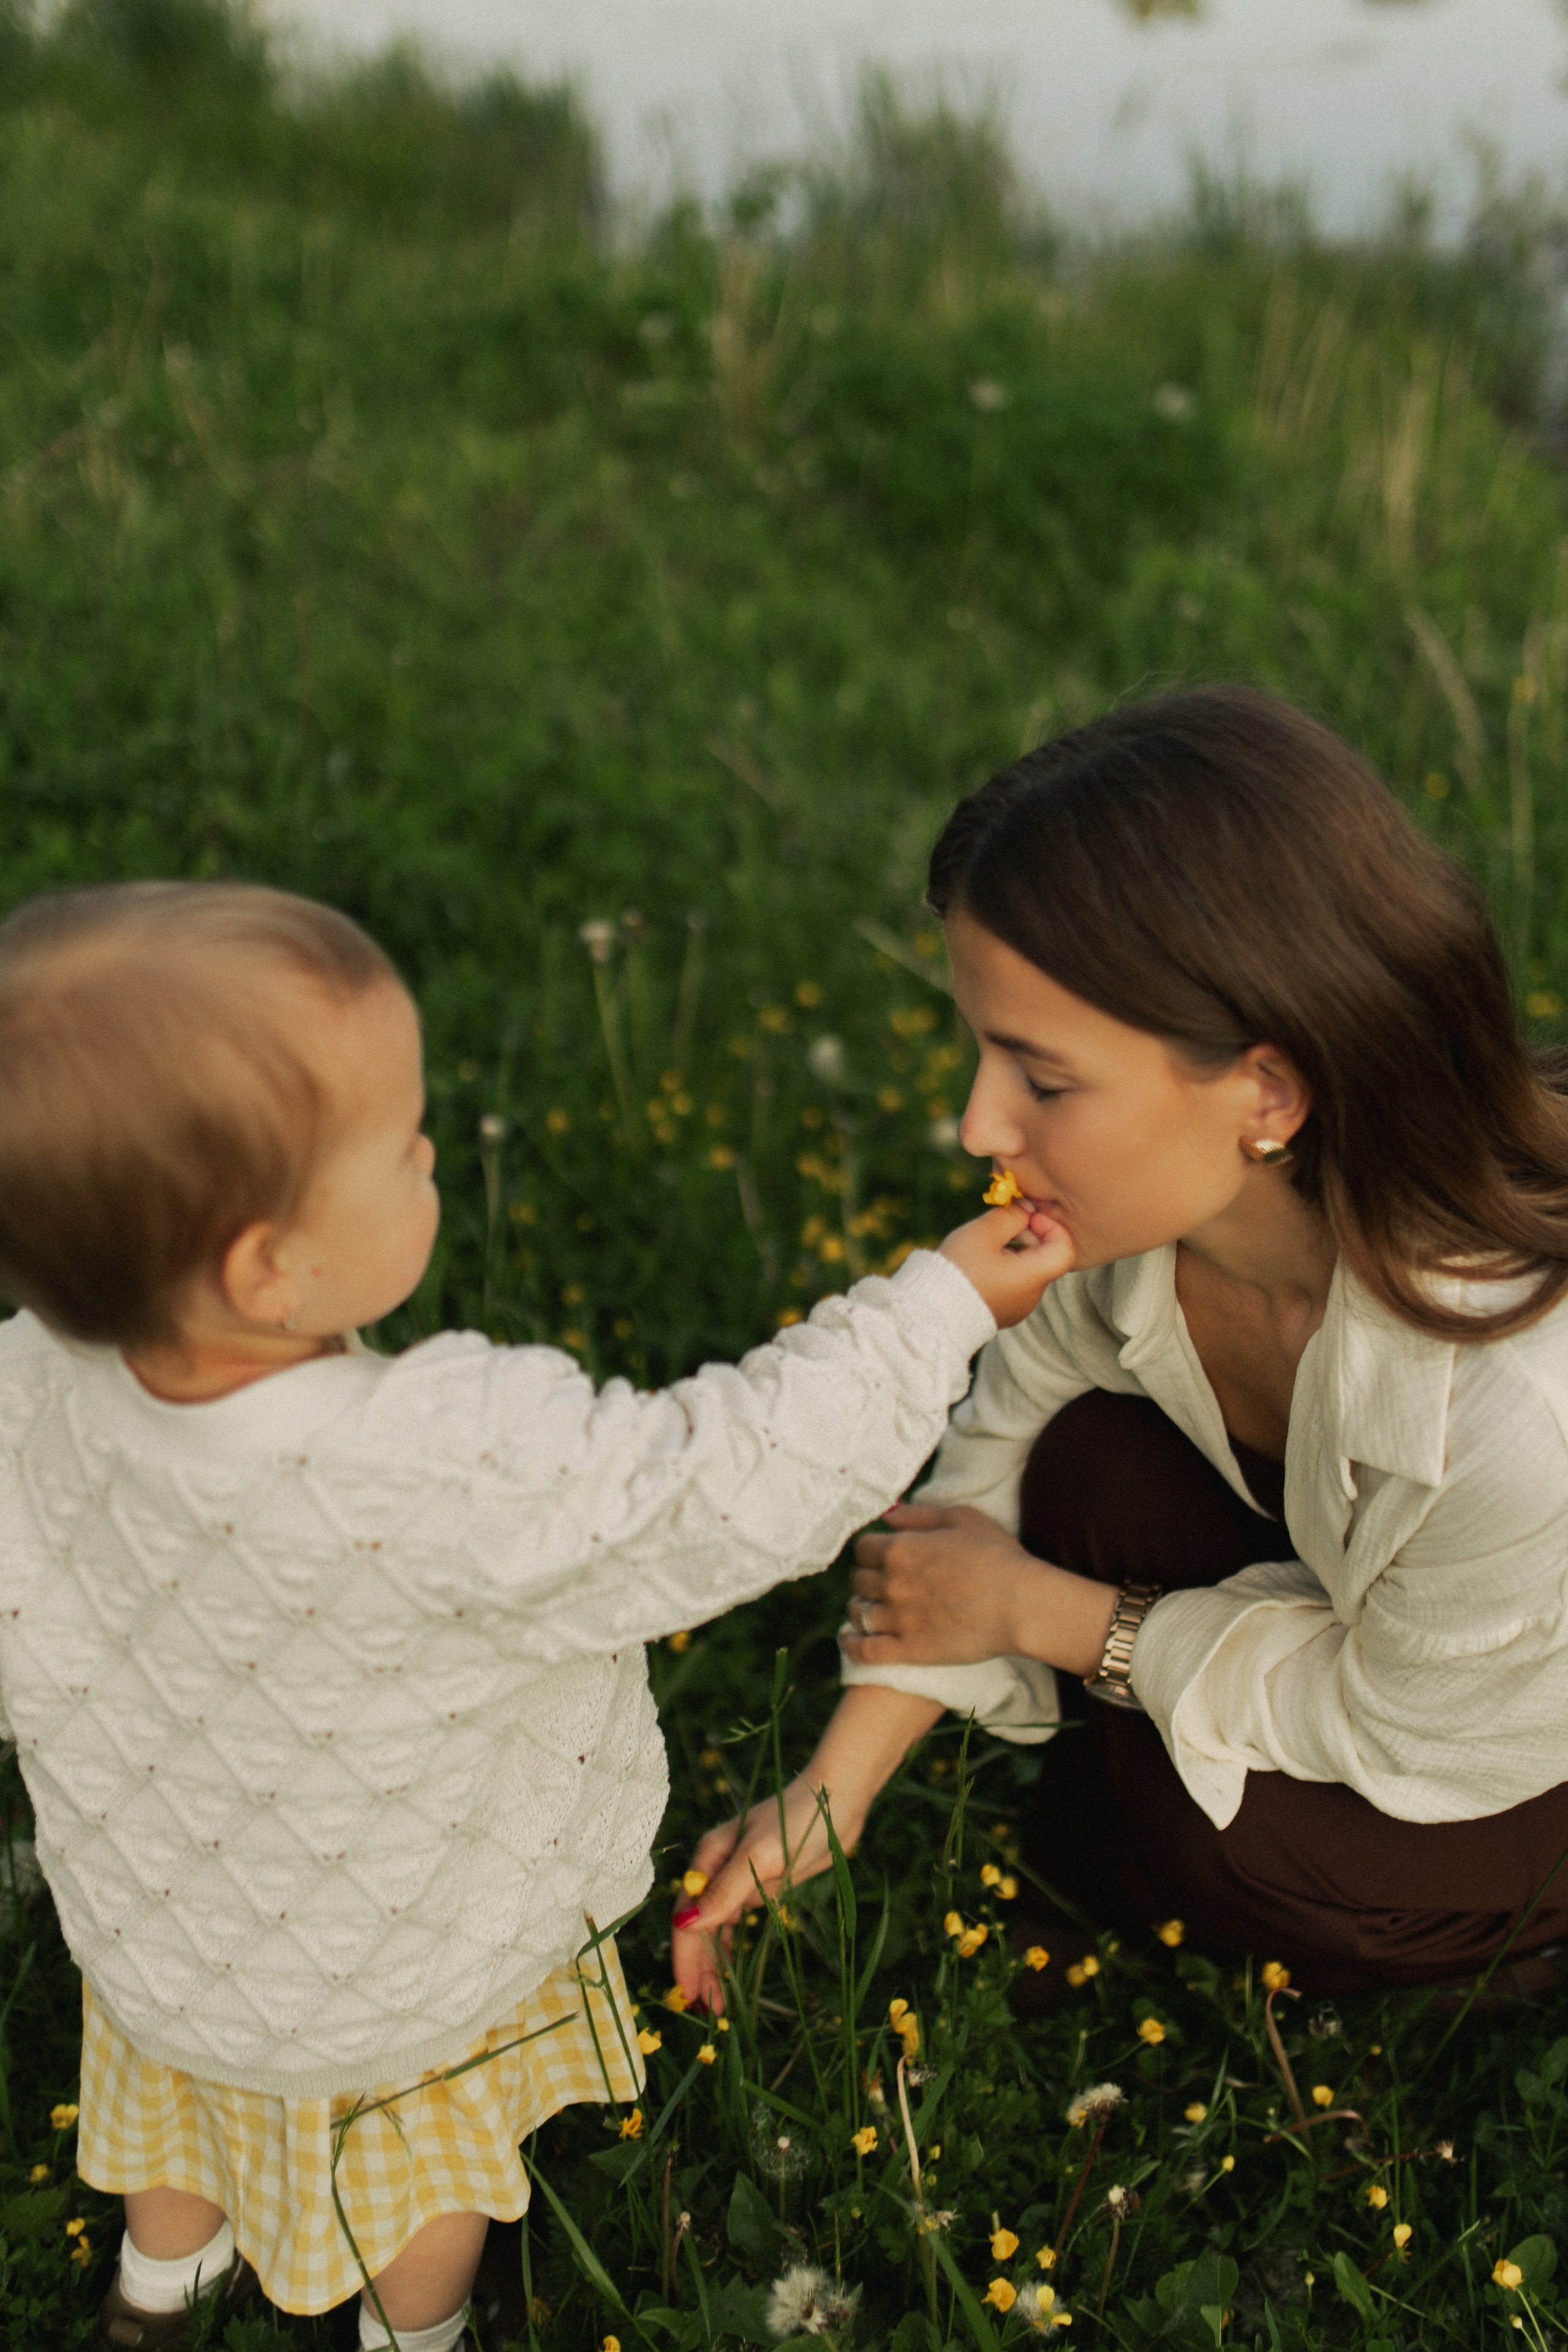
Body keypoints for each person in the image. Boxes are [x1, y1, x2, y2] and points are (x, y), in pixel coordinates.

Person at [0, 880, 1064, 2352]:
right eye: (398, 1145)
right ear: (264, 1265)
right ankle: (417, 2331)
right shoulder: (444, 1462)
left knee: (184, 2115)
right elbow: (714, 1488)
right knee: (419, 2187)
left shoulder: (24, 1392)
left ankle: (158, 2288)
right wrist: (934, 1306)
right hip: (403, 1972)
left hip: (173, 1941)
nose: (431, 1150)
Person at [673, 684, 1568, 2012]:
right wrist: (829, 1792)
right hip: (1359, 1627)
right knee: (1074, 1457)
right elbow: (993, 1447)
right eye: (982, 1055)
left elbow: (1400, 1731)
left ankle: (1503, 1945)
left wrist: (1043, 1613)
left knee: (1246, 1857)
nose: (977, 1126)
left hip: (1495, 1758)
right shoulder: (1144, 1231)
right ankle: (1143, 1744)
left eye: (1041, 1080)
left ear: (1264, 1092)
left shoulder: (1516, 1397)